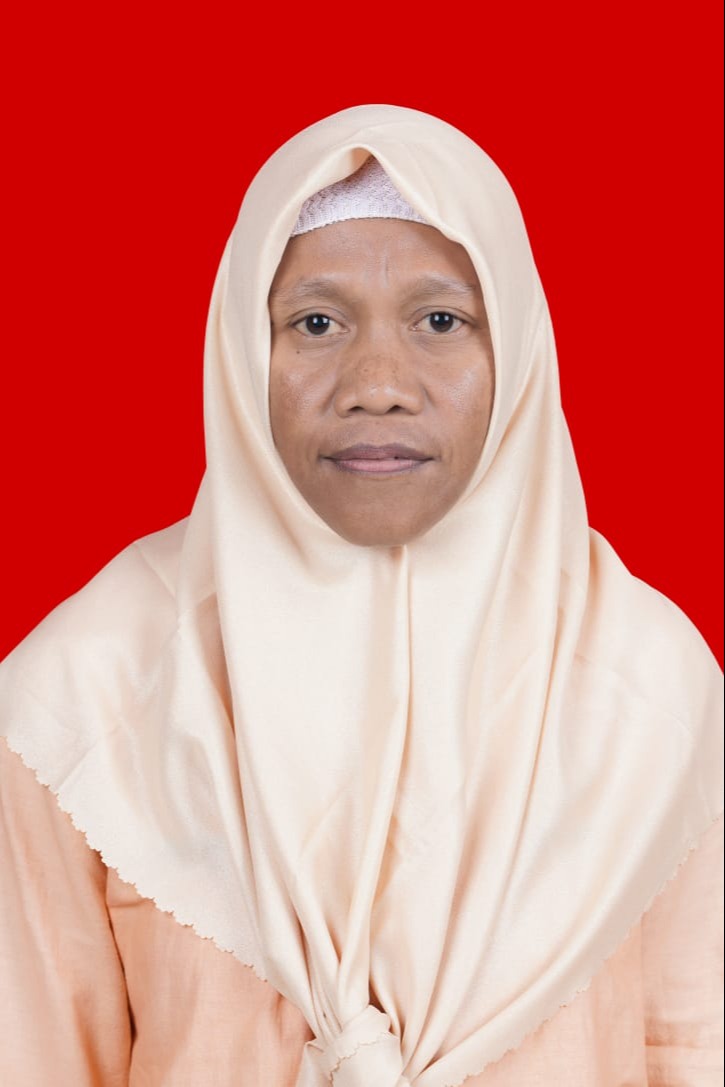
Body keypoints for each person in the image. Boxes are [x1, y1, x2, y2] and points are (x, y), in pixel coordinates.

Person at [0, 105, 722, 1086]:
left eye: (440, 321)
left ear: (515, 350)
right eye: (315, 323)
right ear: (240, 350)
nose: (377, 384)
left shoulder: (649, 687)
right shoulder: (84, 695)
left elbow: (694, 1048)